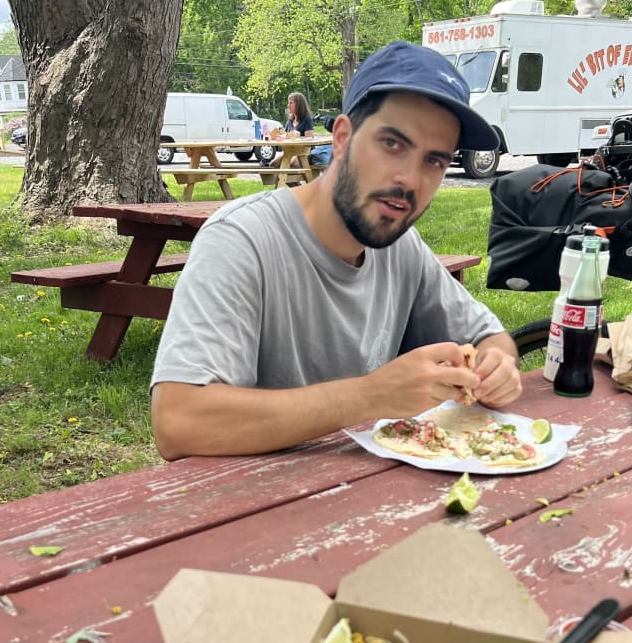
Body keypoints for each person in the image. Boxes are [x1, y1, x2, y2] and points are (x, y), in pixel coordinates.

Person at [151, 40, 521, 459]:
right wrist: (371, 396)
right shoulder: (242, 239)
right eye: (392, 144)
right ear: (342, 138)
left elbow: (491, 339)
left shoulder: (401, 246)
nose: (410, 179)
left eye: (434, 161)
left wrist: (497, 368)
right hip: (250, 505)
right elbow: (179, 421)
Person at [270, 91, 314, 168]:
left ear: (299, 105)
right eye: (288, 103)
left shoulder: (307, 120)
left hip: (302, 153)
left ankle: (290, 180)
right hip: (288, 151)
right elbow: (286, 136)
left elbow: (309, 140)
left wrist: (298, 136)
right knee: (273, 164)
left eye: (291, 103)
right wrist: (279, 135)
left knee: (292, 163)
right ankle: (281, 180)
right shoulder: (290, 121)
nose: (288, 105)